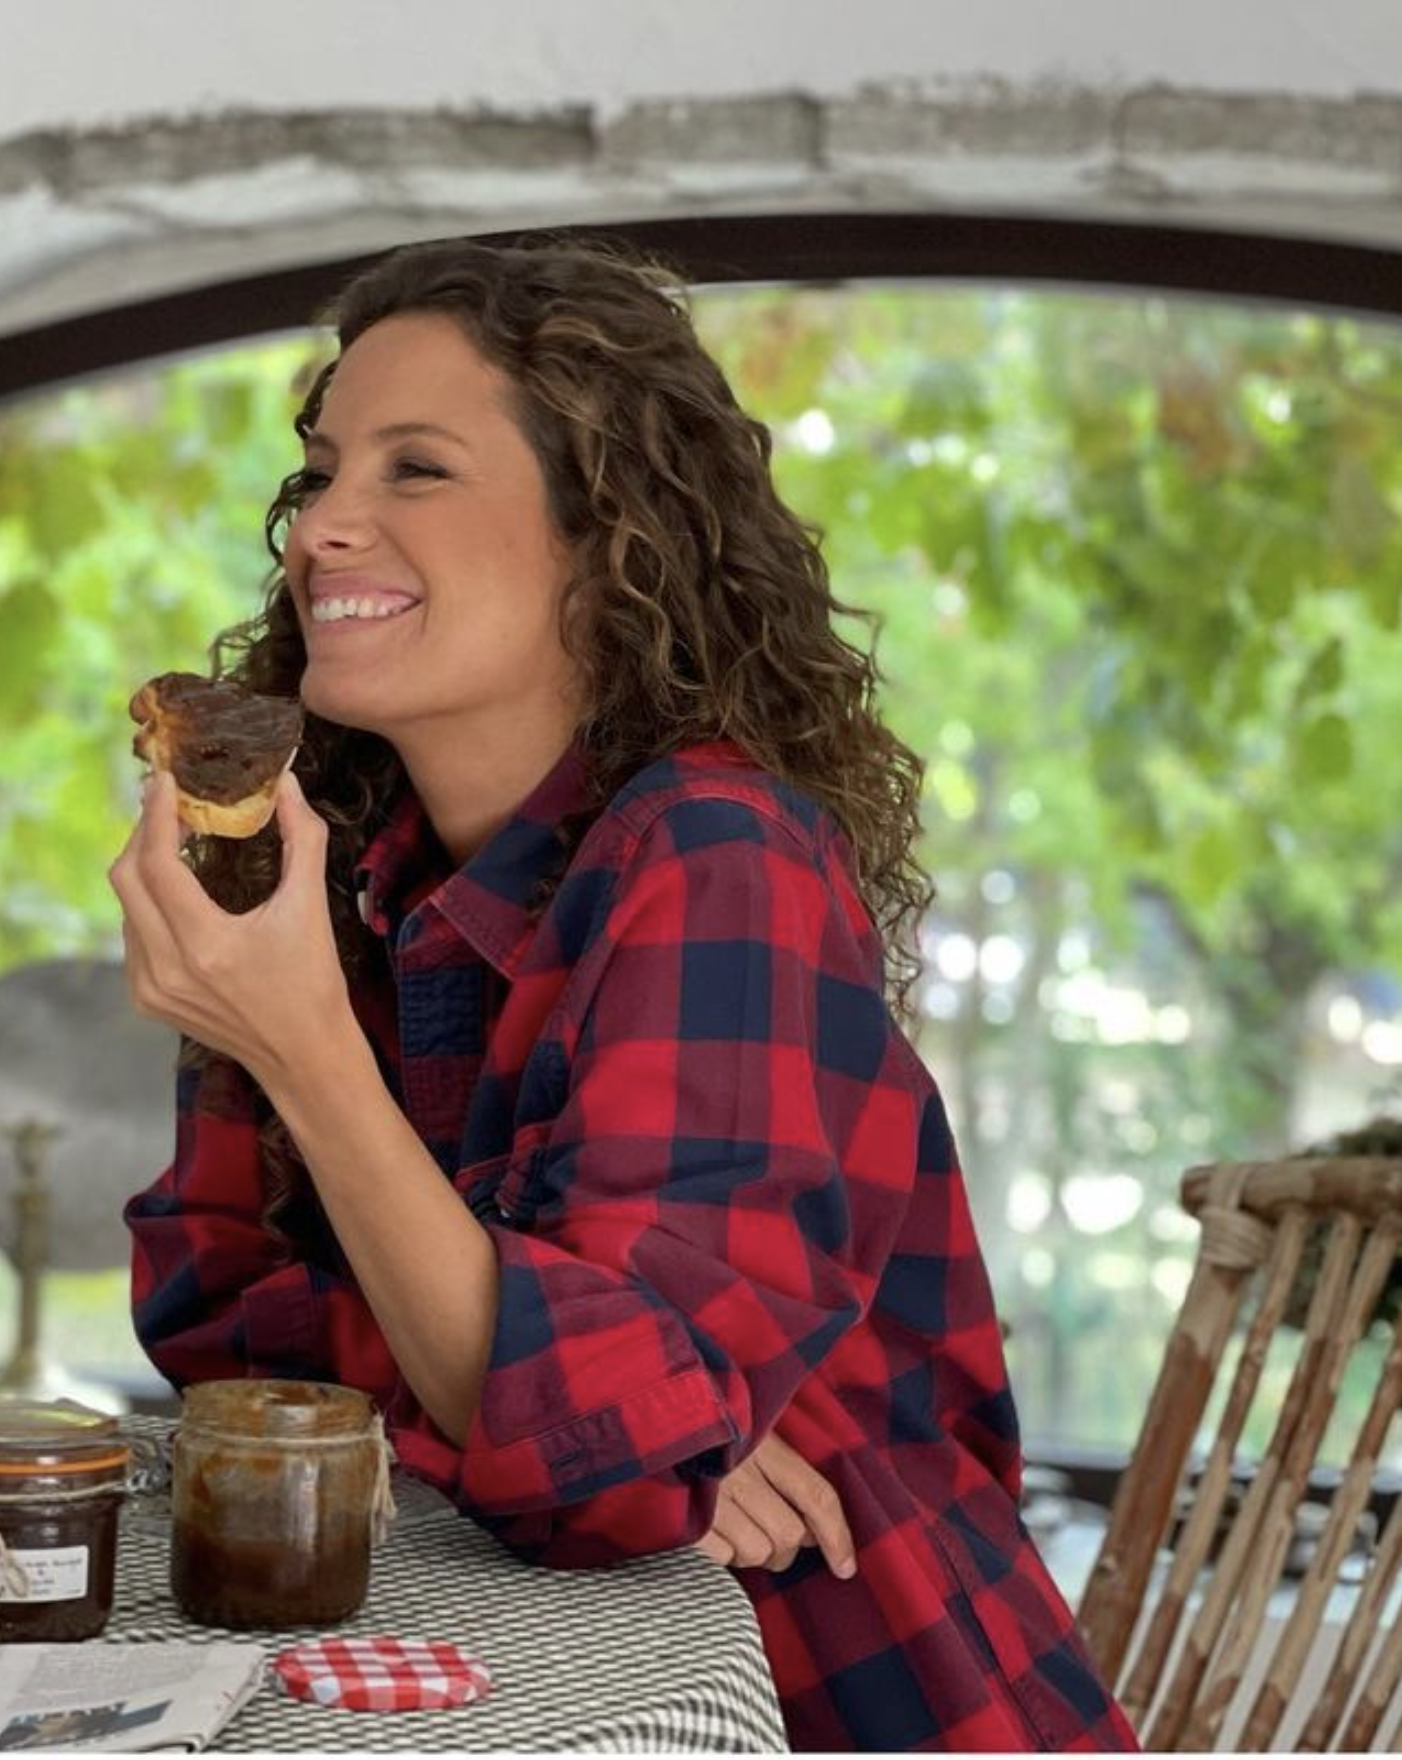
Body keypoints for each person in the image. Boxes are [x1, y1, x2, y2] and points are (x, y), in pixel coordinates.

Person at [112, 234, 1137, 1752]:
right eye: (321, 473)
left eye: (417, 471)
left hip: (823, 1677)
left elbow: (605, 1462)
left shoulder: (719, 858)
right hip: (490, 1657)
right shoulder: (311, 864)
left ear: (613, 537)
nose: (326, 525)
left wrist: (308, 1051)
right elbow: (216, 1323)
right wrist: (557, 1420)